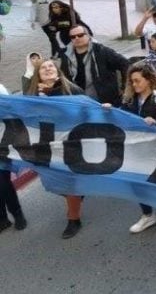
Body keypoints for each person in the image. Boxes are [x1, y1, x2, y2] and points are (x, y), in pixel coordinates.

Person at [107, 63, 156, 234]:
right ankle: (147, 214)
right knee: (137, 182)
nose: (134, 85)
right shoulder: (130, 99)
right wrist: (109, 110)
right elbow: (121, 114)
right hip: (136, 149)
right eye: (132, 82)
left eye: (137, 81)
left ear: (149, 80)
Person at [24, 59, 85, 238]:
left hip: (71, 143)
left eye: (51, 65)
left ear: (57, 70)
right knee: (56, 183)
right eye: (43, 68)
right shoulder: (31, 95)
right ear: (38, 75)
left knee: (68, 182)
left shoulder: (71, 89)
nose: (48, 68)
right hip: (46, 146)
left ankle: (73, 219)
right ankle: (77, 194)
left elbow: (87, 108)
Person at [60, 25, 130, 105]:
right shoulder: (66, 56)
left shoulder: (102, 51)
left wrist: (125, 88)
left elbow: (125, 64)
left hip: (103, 102)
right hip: (78, 101)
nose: (77, 38)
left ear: (88, 35)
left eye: (80, 35)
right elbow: (62, 76)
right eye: (73, 37)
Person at [0, 82, 26, 234]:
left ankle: (17, 214)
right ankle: (2, 219)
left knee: (2, 182)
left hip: (2, 141)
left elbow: (8, 109)